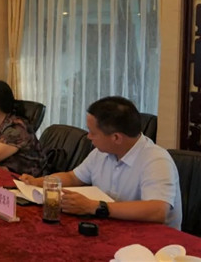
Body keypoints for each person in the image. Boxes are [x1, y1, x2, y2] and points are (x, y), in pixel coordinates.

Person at [20, 96, 182, 229]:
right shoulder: (102, 153)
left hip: (154, 243)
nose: (88, 137)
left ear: (116, 138)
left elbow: (157, 211)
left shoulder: (156, 160)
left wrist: (94, 206)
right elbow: (73, 177)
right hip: (114, 228)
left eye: (93, 132)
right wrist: (39, 182)